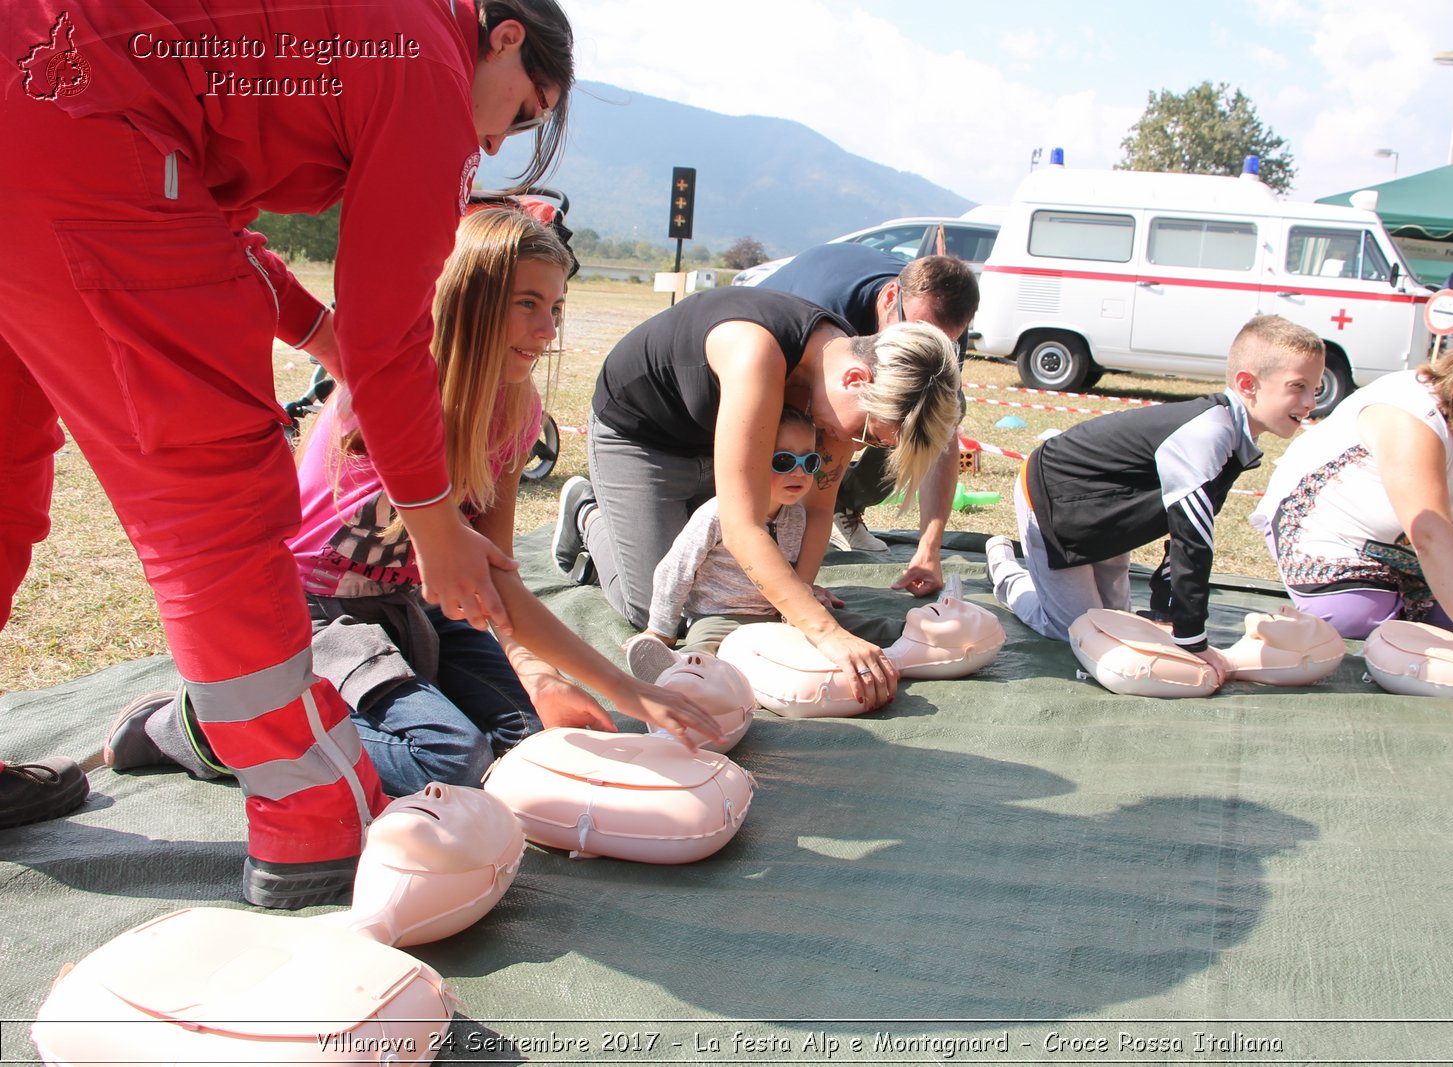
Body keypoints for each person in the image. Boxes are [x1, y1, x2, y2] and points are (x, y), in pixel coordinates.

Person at [0, 0, 575, 905]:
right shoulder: (426, 56)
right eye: (526, 110)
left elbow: (213, 216)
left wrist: (320, 334)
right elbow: (391, 330)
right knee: (209, 482)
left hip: (43, 92)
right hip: (67, 121)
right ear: (505, 37)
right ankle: (309, 808)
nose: (500, 143)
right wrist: (432, 520)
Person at [106, 210, 720, 798]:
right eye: (528, 304)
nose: (548, 330)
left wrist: (533, 671)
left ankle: (362, 697)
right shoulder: (390, 394)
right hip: (311, 615)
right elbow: (484, 578)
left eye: (555, 307)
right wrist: (624, 687)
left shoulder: (517, 409)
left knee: (525, 740)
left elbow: (496, 573)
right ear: (467, 303)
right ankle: (215, 726)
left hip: (414, 605)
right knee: (451, 759)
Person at [552, 286, 963, 709]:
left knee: (767, 588)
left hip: (722, 441)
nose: (855, 448)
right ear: (855, 380)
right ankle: (589, 513)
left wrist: (797, 603)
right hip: (643, 439)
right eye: (866, 434)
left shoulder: (841, 385)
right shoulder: (756, 354)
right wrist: (825, 632)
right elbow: (740, 526)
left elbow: (818, 510)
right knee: (653, 606)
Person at [986, 316, 1326, 680]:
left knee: (1114, 624)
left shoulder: (1234, 441)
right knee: (1073, 631)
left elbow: (1184, 534)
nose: (1310, 403)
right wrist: (1192, 640)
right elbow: (1192, 544)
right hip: (1054, 499)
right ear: (1248, 384)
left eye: (1316, 389)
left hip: (1109, 514)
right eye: (1298, 387)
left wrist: (1166, 616)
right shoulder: (1208, 433)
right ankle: (1007, 572)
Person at [1250, 316, 1453, 701]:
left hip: (1436, 554)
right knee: (1354, 619)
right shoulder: (1410, 413)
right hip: (1339, 538)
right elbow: (1430, 533)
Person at [759, 244, 980, 595]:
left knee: (920, 415)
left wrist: (929, 549)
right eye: (914, 328)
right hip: (768, 370)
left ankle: (846, 500)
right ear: (891, 296)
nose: (918, 340)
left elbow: (941, 434)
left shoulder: (939, 325)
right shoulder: (825, 309)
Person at [625, 406, 902, 681]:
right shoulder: (716, 514)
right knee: (703, 654)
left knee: (850, 624)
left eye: (810, 462)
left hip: (780, 613)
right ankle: (680, 677)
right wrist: (661, 630)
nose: (799, 472)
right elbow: (675, 570)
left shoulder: (797, 514)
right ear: (753, 459)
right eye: (783, 461)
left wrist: (804, 592)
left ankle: (913, 635)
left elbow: (789, 570)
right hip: (720, 617)